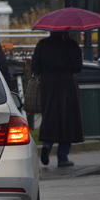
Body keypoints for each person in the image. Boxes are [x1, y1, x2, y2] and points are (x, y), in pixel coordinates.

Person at [31, 31, 84, 167]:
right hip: (67, 85)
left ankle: (47, 146)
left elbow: (35, 67)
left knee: (50, 116)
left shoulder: (42, 45)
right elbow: (77, 67)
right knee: (68, 120)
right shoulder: (71, 45)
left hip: (47, 84)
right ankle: (62, 157)